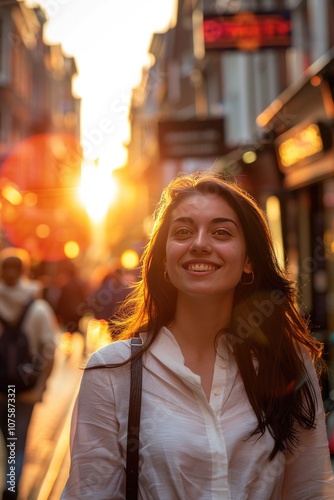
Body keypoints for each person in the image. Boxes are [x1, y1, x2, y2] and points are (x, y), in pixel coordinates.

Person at [61, 171, 334, 499]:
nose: (200, 243)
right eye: (183, 231)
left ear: (249, 260)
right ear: (164, 256)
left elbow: (312, 491)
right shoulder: (111, 373)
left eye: (221, 232)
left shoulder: (287, 363)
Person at [0, 248, 58, 500]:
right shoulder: (38, 308)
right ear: (25, 271)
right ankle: (11, 489)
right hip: (22, 392)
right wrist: (40, 387)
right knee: (17, 443)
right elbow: (51, 349)